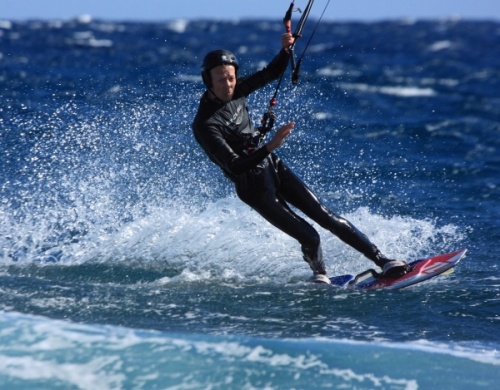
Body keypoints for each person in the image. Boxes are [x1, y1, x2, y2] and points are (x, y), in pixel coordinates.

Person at [191, 31, 410, 283]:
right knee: (309, 236)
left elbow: (272, 73)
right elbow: (235, 165)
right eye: (220, 80)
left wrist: (285, 50)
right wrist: (270, 145)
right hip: (252, 187)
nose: (228, 85)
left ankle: (383, 260)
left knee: (326, 216)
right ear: (208, 81)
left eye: (231, 78)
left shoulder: (237, 90)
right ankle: (320, 276)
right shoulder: (205, 123)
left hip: (270, 166)